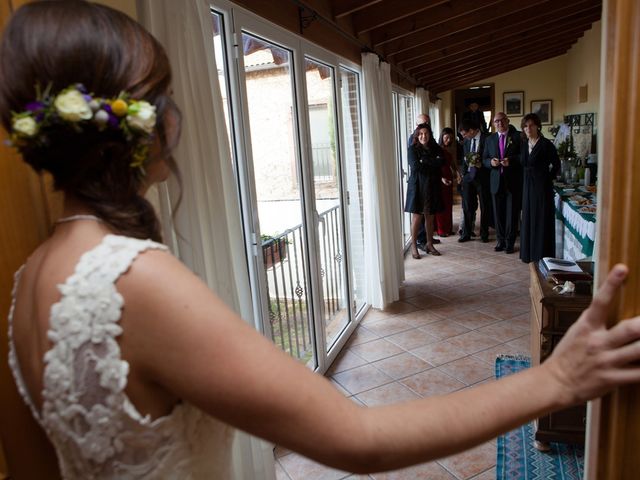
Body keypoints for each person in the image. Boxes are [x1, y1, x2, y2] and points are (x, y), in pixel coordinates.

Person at [4, 3, 640, 479]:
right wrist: (556, 380)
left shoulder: (33, 274)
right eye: (164, 98)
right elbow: (356, 436)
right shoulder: (130, 281)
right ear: (140, 126)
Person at [519, 113, 561, 263]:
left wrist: (546, 178)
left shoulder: (546, 144)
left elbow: (557, 165)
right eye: (525, 126)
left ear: (537, 126)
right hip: (527, 186)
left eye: (531, 125)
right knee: (528, 217)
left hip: (542, 187)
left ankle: (541, 254)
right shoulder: (523, 144)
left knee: (541, 218)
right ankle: (528, 253)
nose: (528, 128)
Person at [482, 112, 522, 254]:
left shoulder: (518, 136)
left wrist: (511, 161)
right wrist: (491, 162)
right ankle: (500, 241)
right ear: (493, 123)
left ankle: (510, 243)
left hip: (513, 181)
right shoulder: (490, 139)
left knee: (512, 214)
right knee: (498, 213)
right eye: (496, 121)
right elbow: (484, 159)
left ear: (508, 120)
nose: (499, 123)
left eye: (502, 120)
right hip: (496, 181)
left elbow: (523, 156)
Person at [404, 123, 444, 258]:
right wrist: (431, 162)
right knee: (417, 217)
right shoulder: (412, 149)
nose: (423, 136)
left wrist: (425, 161)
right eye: (420, 134)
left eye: (426, 133)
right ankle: (414, 246)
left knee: (430, 217)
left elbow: (441, 162)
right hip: (418, 187)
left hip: (432, 186)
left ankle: (429, 243)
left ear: (430, 135)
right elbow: (415, 167)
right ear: (417, 135)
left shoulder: (436, 148)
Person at [458, 120, 491, 243]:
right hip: (468, 178)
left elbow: (490, 156)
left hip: (483, 177)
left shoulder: (487, 139)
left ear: (471, 131)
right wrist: (463, 175)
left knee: (485, 206)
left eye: (464, 134)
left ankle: (484, 234)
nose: (463, 137)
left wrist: (481, 164)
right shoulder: (466, 141)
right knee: (467, 206)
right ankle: (466, 233)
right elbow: (464, 159)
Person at [435, 127, 461, 237]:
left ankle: (448, 229)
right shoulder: (437, 149)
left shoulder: (449, 149)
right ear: (442, 137)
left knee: (448, 205)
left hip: (449, 179)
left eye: (450, 138)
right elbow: (434, 167)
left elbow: (452, 164)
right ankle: (441, 230)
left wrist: (458, 173)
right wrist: (441, 178)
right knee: (441, 205)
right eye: (446, 137)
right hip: (440, 179)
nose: (448, 140)